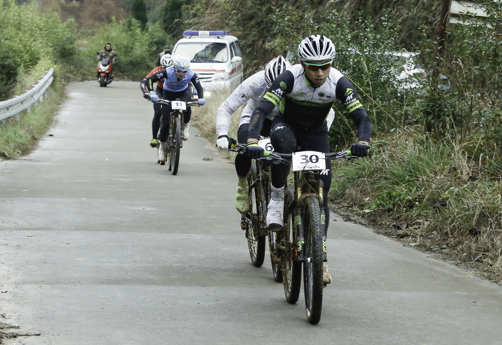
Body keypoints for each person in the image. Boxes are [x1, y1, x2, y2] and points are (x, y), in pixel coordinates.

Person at [245, 35, 371, 285]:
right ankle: (277, 197)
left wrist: (363, 142)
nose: (321, 72)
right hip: (286, 126)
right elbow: (260, 110)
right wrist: (251, 141)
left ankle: (321, 260)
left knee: (322, 194)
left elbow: (362, 117)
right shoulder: (289, 77)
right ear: (303, 64)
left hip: (316, 132)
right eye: (314, 66)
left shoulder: (338, 82)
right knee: (284, 148)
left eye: (326, 65)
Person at [216, 56, 302, 212]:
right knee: (244, 149)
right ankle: (242, 185)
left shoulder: (300, 81)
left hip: (284, 120)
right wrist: (222, 134)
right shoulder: (255, 83)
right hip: (255, 117)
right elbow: (226, 108)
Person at [143, 55, 205, 164]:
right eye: (179, 71)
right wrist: (152, 92)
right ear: (174, 68)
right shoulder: (167, 71)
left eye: (184, 71)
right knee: (165, 122)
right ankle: (162, 146)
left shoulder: (190, 73)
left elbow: (199, 87)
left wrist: (201, 98)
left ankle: (185, 126)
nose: (181, 74)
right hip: (168, 93)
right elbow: (150, 80)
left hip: (183, 92)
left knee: (188, 106)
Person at [140, 54, 174, 148]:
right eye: (164, 67)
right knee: (158, 111)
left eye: (169, 67)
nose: (166, 70)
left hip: (173, 93)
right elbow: (144, 81)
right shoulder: (157, 70)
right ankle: (154, 137)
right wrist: (146, 92)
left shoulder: (176, 70)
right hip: (160, 92)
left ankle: (180, 129)